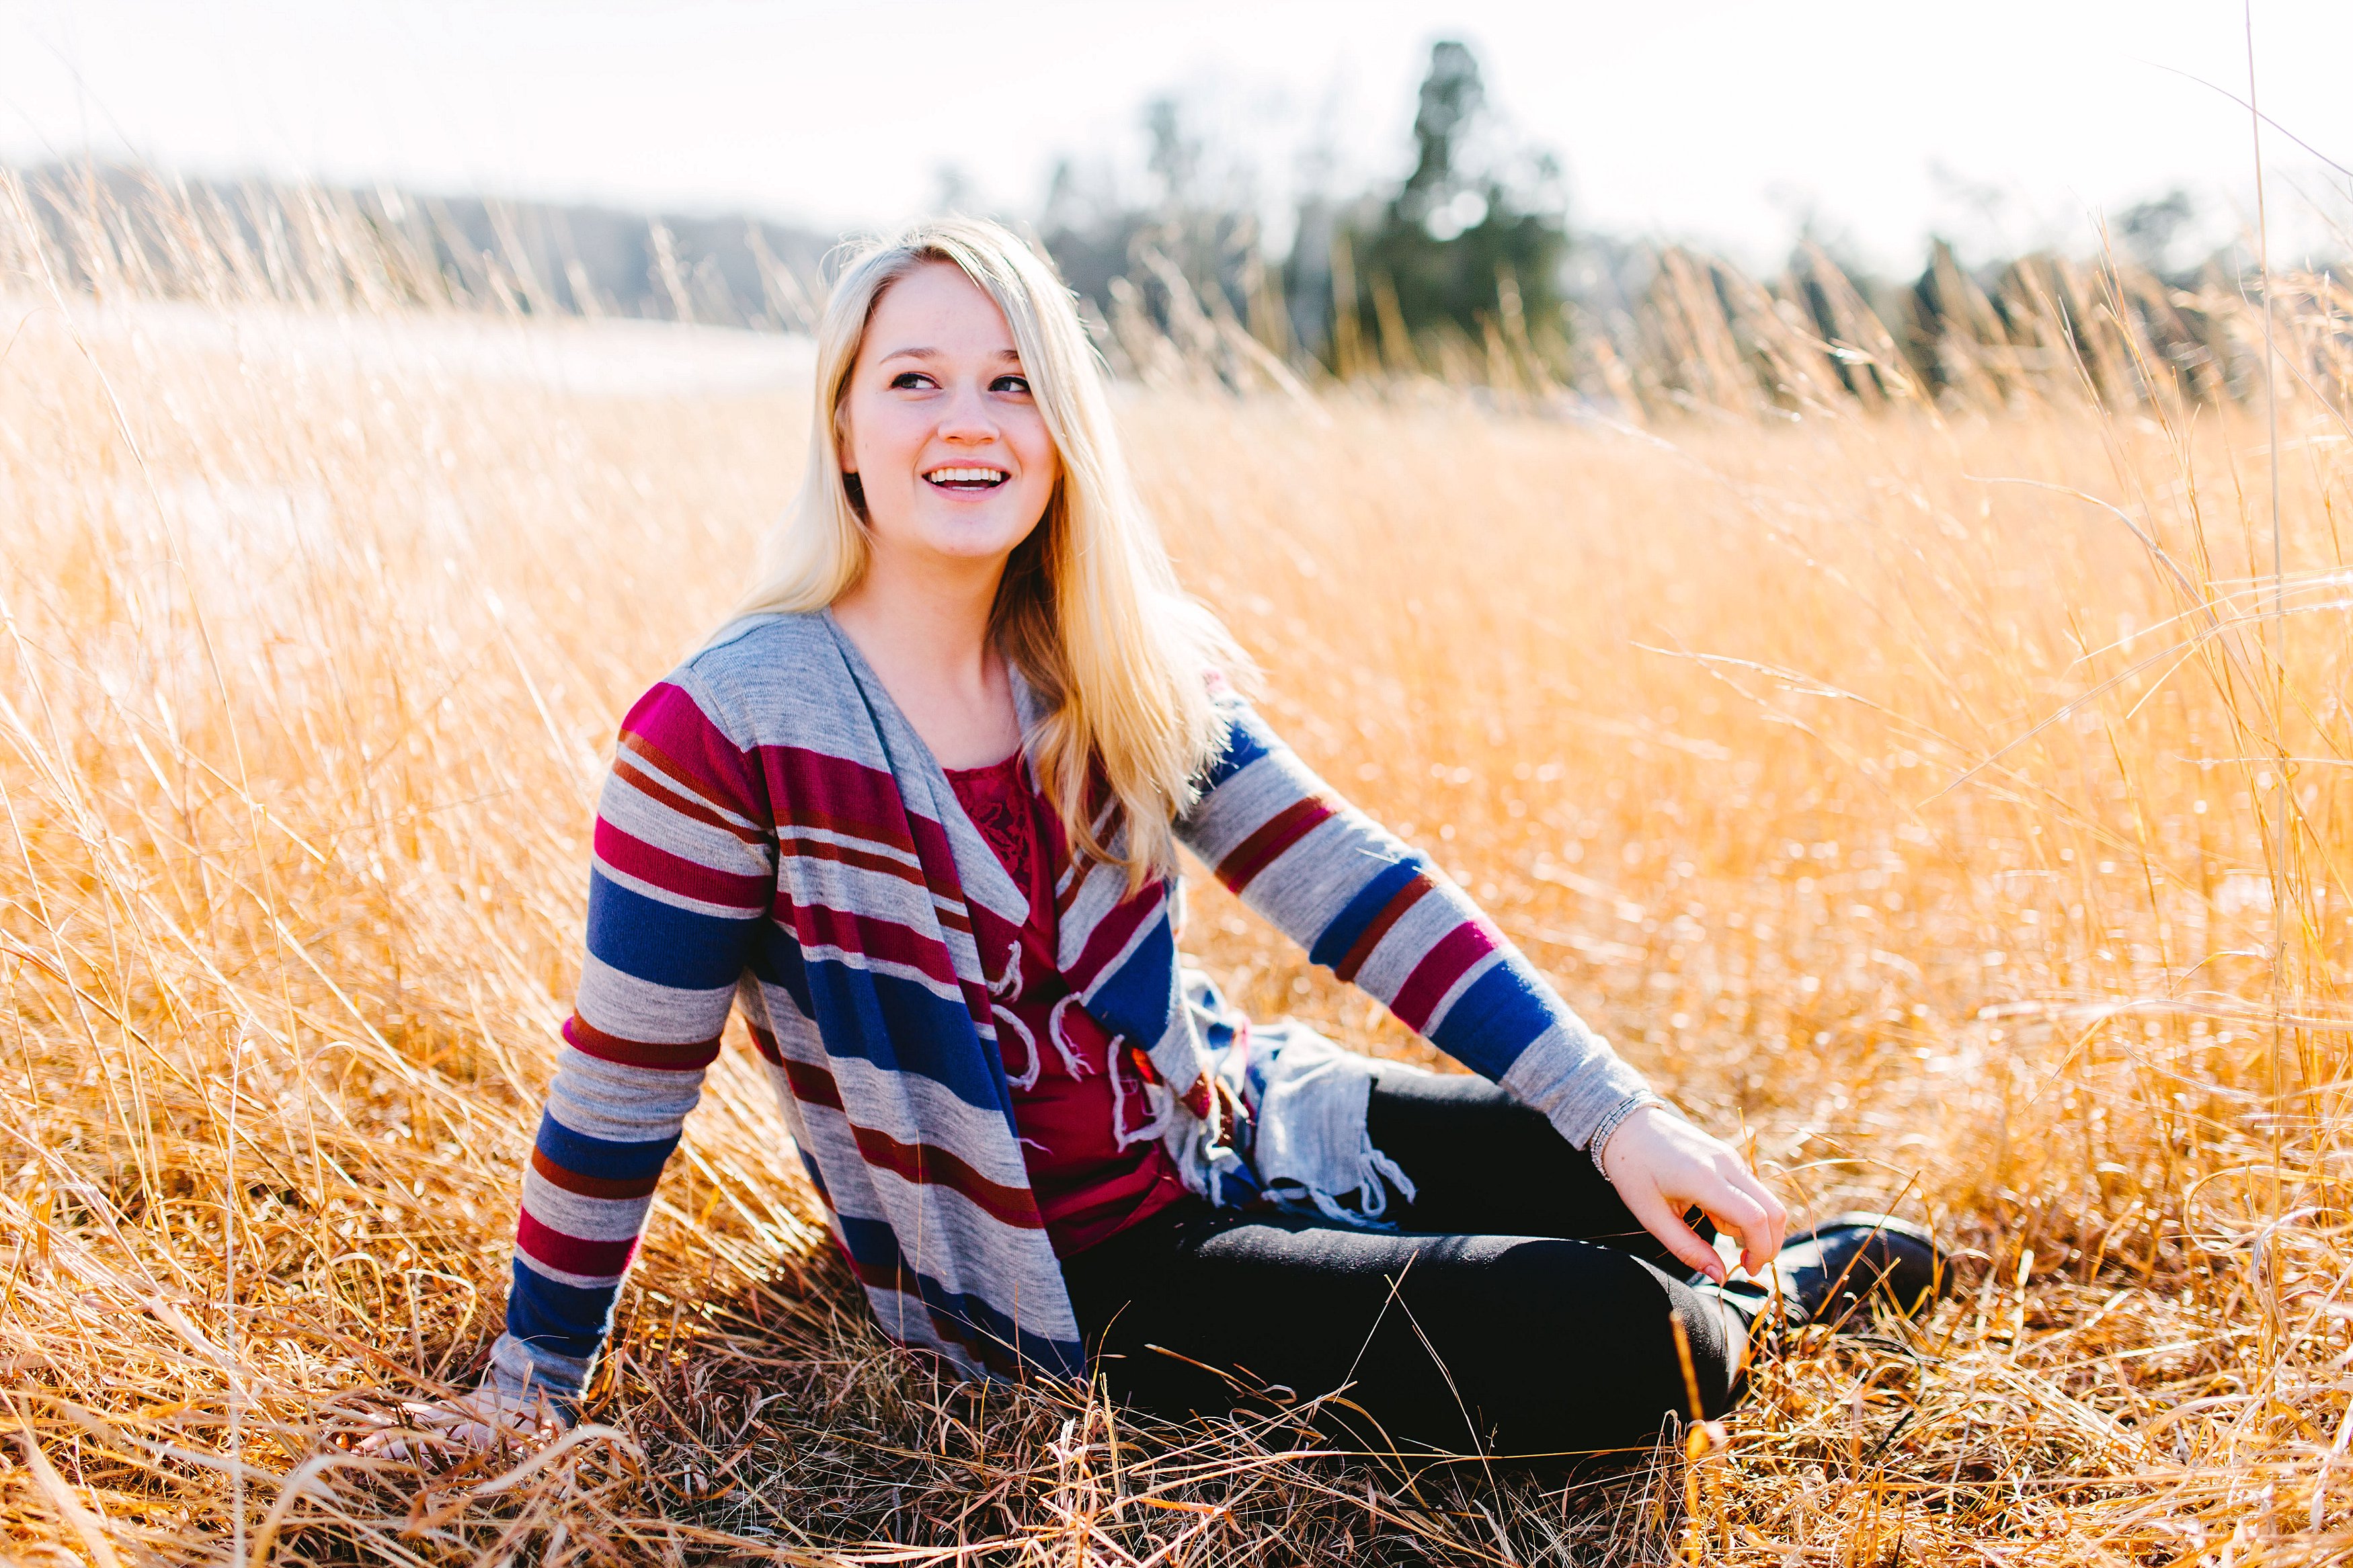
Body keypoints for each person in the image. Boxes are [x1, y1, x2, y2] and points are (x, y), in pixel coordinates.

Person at [374, 218, 1940, 1464]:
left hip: (1235, 1125)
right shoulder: (727, 728)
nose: (966, 421)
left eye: (1011, 381)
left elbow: (1356, 884)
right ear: (842, 430)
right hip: (1073, 1270)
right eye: (912, 380)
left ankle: (1707, 1261)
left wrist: (1618, 1111)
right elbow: (623, 1075)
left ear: (1064, 428)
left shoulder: (1118, 659)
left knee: (1612, 1172)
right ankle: (1757, 1309)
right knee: (1634, 1343)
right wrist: (535, 1372)